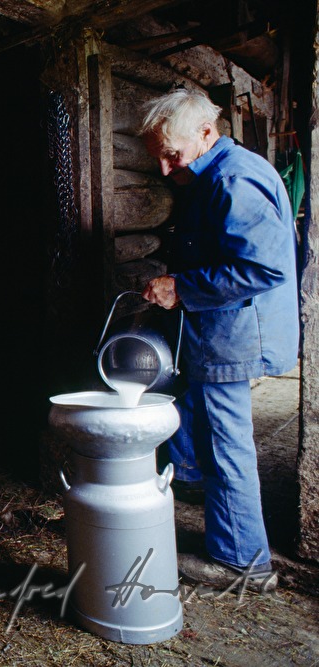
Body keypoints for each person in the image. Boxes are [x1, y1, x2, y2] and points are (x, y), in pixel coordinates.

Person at [138, 87, 299, 590]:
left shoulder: (233, 179)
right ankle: (194, 488)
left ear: (208, 133)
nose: (165, 170)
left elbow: (263, 266)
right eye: (158, 156)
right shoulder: (220, 171)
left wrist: (182, 287)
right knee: (205, 429)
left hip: (234, 334)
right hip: (221, 329)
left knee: (227, 444)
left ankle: (242, 564)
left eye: (172, 155)